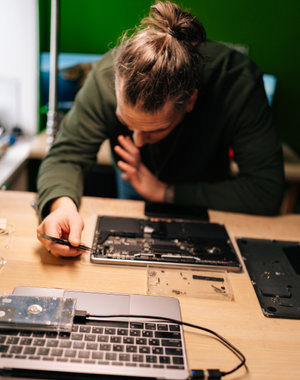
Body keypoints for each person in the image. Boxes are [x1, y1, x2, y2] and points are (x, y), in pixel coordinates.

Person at [37, 1, 284, 257]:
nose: (138, 142)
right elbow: (65, 156)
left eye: (154, 130)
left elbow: (265, 190)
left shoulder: (236, 81)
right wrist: (60, 206)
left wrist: (163, 192)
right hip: (133, 186)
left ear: (190, 101)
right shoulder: (103, 79)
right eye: (127, 122)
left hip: (212, 204)